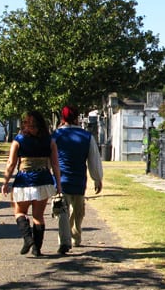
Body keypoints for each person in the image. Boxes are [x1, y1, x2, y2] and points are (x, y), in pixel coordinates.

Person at [1, 110, 62, 256]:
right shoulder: (50, 141)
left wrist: (5, 181)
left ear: (25, 124)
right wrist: (58, 184)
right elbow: (55, 165)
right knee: (38, 216)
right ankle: (37, 249)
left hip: (24, 180)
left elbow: (11, 163)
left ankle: (28, 239)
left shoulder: (19, 140)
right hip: (43, 180)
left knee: (20, 212)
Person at [52, 105, 103, 254]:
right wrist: (97, 178)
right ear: (77, 118)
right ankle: (75, 236)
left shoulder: (55, 136)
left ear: (62, 118)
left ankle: (64, 241)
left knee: (62, 211)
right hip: (79, 180)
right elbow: (93, 159)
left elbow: (50, 159)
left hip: (61, 180)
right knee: (78, 211)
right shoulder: (86, 136)